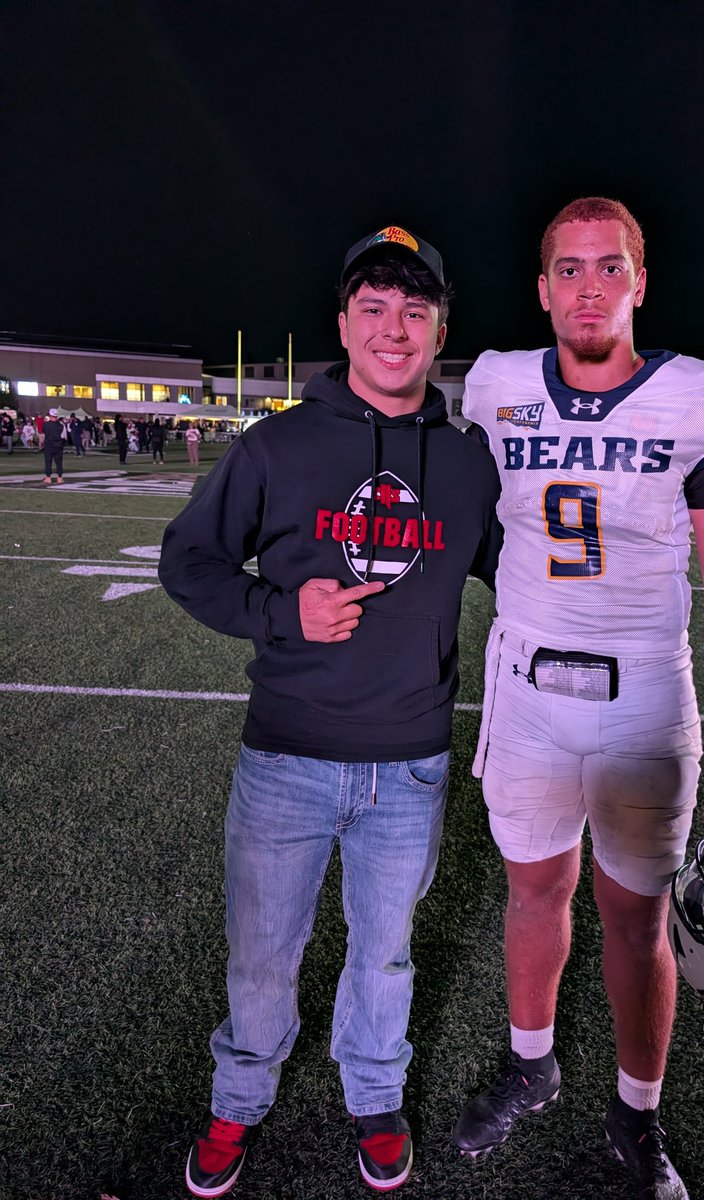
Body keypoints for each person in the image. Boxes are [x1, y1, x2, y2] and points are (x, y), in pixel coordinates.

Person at [158, 225, 502, 1198]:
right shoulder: (276, 446)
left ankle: (374, 1096)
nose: (395, 328)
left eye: (416, 309)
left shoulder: (470, 464)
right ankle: (238, 1100)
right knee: (263, 957)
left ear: (440, 329)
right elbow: (188, 561)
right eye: (374, 307)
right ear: (344, 323)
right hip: (287, 760)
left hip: (411, 764)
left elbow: (526, 577)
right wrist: (281, 609)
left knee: (383, 956)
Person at [455, 197, 704, 1200]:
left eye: (608, 266)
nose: (587, 285)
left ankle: (635, 1116)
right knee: (533, 891)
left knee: (635, 921)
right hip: (523, 686)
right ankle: (531, 1060)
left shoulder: (697, 402)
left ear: (639, 282)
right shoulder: (498, 384)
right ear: (540, 286)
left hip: (643, 691)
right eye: (567, 268)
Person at [42, 408, 65, 483]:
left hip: (49, 445)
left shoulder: (46, 424)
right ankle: (60, 477)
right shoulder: (61, 425)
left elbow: (44, 431)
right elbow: (63, 436)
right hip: (58, 445)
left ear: (50, 415)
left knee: (48, 461)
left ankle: (48, 477)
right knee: (59, 462)